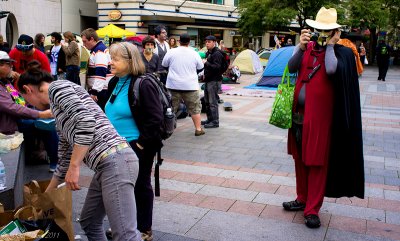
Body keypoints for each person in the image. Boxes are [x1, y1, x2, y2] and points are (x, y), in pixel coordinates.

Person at [18, 64, 142, 241]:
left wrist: (75, 167)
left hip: (116, 159)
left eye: (26, 99)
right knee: (89, 222)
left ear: (27, 89)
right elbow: (65, 158)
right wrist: (46, 198)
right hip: (106, 165)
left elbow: (86, 121)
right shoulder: (58, 109)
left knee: (124, 234)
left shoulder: (58, 88)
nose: (31, 105)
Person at [283, 7, 364, 229]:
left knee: (316, 162)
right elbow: (291, 67)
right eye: (318, 29)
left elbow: (330, 70)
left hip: (321, 119)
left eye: (326, 30)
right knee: (300, 159)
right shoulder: (307, 47)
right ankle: (302, 199)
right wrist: (300, 46)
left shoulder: (341, 52)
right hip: (299, 115)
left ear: (335, 32)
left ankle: (312, 209)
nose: (320, 34)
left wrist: (330, 45)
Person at [105, 42, 163, 241]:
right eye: (110, 57)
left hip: (137, 145)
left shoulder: (143, 83)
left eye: (115, 59)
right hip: (115, 145)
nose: (110, 62)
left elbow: (156, 118)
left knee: (140, 185)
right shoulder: (114, 81)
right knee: (122, 188)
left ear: (130, 61)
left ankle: (144, 229)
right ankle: (126, 227)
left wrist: (141, 144)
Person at [0, 54, 56, 172]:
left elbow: (19, 100)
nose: (12, 67)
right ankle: (55, 162)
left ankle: (54, 159)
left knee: (48, 122)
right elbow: (11, 107)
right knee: (46, 126)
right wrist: (39, 114)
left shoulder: (5, 82)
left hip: (18, 117)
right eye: (8, 64)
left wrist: (35, 108)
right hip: (10, 123)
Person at [162, 33, 205, 136]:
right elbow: (200, 68)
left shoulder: (171, 52)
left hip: (173, 85)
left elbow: (164, 65)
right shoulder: (194, 53)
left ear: (179, 41)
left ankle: (167, 129)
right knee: (195, 109)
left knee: (170, 108)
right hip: (190, 85)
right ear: (189, 42)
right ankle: (198, 129)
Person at [81, 28, 113, 110]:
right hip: (101, 89)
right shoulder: (98, 49)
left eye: (85, 41)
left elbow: (101, 72)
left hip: (101, 91)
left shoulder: (99, 51)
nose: (84, 44)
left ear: (91, 39)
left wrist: (95, 91)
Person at [202, 35, 224, 128]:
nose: (207, 43)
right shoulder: (208, 53)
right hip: (208, 79)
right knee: (207, 101)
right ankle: (210, 119)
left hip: (214, 81)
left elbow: (217, 67)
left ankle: (215, 121)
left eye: (209, 42)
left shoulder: (217, 54)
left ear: (214, 42)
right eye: (206, 42)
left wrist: (206, 63)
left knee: (213, 102)